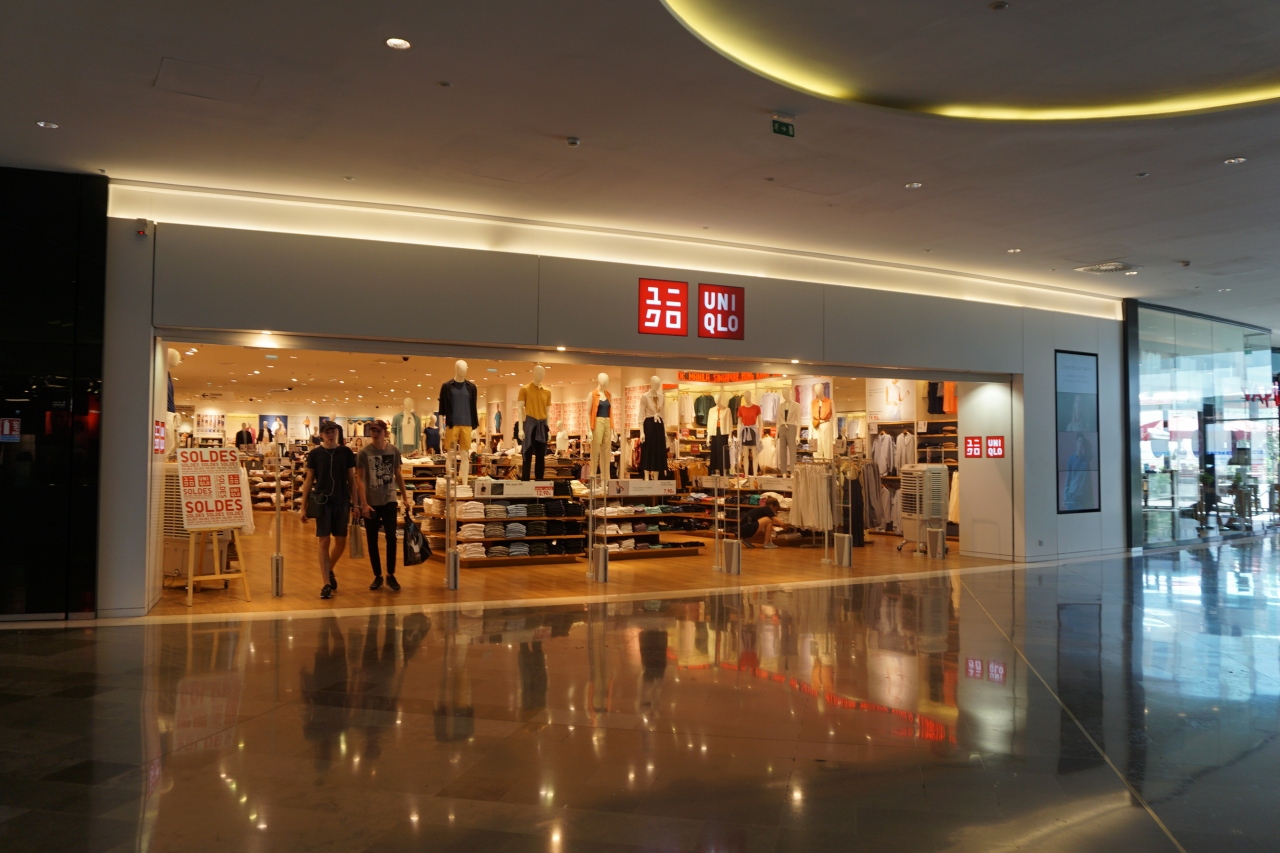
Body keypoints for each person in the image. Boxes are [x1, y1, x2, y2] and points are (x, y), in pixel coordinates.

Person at [298, 421, 357, 599]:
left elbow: (351, 479)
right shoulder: (315, 454)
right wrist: (303, 506)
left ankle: (329, 569)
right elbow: (309, 480)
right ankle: (326, 583)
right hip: (322, 501)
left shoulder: (345, 452)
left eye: (333, 432)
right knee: (323, 541)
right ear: (321, 435)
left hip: (342, 500)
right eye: (327, 432)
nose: (331, 435)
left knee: (341, 541)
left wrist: (356, 504)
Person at [355, 419, 412, 591]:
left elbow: (398, 474)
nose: (374, 433)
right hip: (371, 502)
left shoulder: (393, 450)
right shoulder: (364, 453)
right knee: (372, 539)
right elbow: (359, 479)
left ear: (385, 433)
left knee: (391, 537)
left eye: (378, 430)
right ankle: (377, 575)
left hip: (389, 499)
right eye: (372, 430)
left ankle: (391, 574)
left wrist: (405, 497)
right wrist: (363, 503)